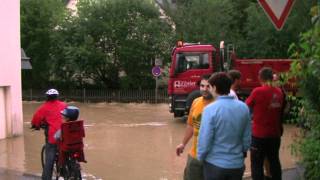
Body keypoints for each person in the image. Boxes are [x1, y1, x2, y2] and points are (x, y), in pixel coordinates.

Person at [197, 72, 251, 180]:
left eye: (210, 87)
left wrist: (200, 157)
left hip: (214, 165)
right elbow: (247, 138)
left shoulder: (209, 110)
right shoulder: (243, 107)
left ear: (215, 87)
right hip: (236, 165)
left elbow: (205, 139)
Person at [246, 67, 285, 180]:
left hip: (259, 135)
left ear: (260, 77)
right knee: (274, 161)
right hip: (275, 134)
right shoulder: (279, 92)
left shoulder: (258, 91)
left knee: (257, 164)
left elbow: (246, 106)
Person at [176, 74, 214, 180]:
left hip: (213, 158)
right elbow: (191, 125)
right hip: (195, 155)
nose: (205, 89)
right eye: (202, 86)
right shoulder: (196, 102)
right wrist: (183, 144)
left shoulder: (218, 104)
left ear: (214, 87)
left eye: (208, 86)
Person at [31, 89, 67, 180]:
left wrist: (35, 125)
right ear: (57, 96)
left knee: (49, 161)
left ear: (47, 97)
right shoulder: (64, 105)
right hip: (67, 135)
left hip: (53, 137)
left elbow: (36, 119)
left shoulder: (44, 107)